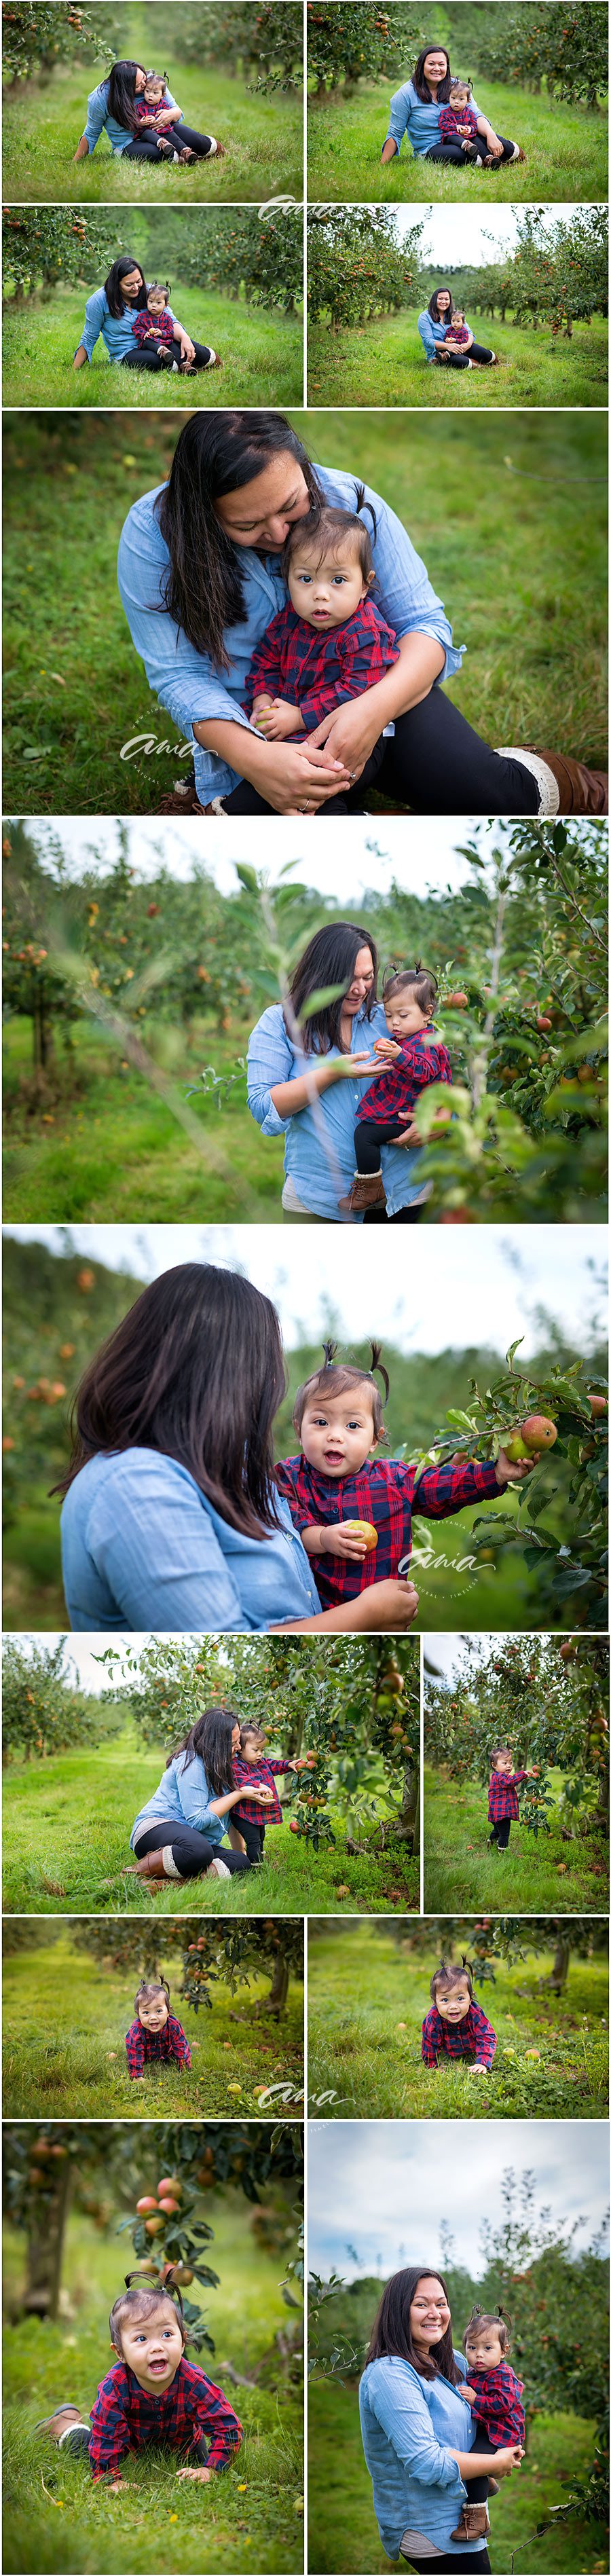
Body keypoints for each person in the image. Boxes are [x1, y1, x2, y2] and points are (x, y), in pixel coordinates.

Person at [118, 411, 606, 817]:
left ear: (303, 468)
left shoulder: (348, 501)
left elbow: (423, 626)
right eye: (247, 525)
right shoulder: (154, 535)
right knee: (297, 820)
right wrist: (259, 759)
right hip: (265, 728)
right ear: (205, 516)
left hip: (377, 692)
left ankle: (579, 785)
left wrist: (371, 711)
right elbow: (180, 676)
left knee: (494, 799)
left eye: (291, 507)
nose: (281, 534)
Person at [57, 1262, 419, 1634]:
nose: (273, 1382)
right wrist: (364, 1616)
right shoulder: (137, 1485)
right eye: (267, 1363)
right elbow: (215, 1646)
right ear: (232, 1373)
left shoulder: (233, 1469)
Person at [274, 1340, 536, 1611]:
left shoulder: (394, 1480)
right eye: (321, 1422)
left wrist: (496, 1473)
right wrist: (324, 1538)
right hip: (315, 1616)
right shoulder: (289, 1477)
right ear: (298, 1428)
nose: (335, 1435)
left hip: (383, 1617)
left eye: (353, 1425)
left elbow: (444, 1486)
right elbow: (293, 1529)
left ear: (375, 1440)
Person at [248, 923, 427, 1224]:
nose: (360, 989)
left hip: (404, 1190)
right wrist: (330, 1073)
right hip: (320, 1198)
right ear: (322, 976)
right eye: (349, 980)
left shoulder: (390, 1019)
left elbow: (437, 1071)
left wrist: (441, 1117)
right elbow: (263, 1106)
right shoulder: (280, 1024)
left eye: (368, 977)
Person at [359, 2265, 523, 2569]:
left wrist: (507, 2442)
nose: (435, 2313)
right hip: (432, 2529)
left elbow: (489, 2411)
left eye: (441, 2304)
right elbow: (427, 2462)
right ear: (398, 2311)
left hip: (460, 2517)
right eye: (421, 2304)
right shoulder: (390, 2375)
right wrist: (494, 2464)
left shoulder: (456, 2362)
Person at [242, 498, 400, 808]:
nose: (320, 594)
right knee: (261, 791)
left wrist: (300, 717)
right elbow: (267, 659)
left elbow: (357, 690)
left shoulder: (365, 633)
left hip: (349, 740)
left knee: (316, 793)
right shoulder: (291, 618)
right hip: (294, 732)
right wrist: (262, 699)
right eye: (306, 579)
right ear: (288, 579)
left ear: (365, 585)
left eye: (338, 580)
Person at [35, 2272, 242, 2488]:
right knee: (83, 2447)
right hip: (127, 2445)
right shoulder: (114, 2388)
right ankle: (65, 2426)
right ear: (120, 2353)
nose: (157, 2346)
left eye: (167, 2334)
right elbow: (106, 2438)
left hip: (182, 2446)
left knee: (198, 2460)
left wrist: (212, 2470)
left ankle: (192, 2460)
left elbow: (227, 2427)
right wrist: (109, 2480)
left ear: (182, 2340)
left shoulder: (194, 2382)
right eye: (141, 2338)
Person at [124, 1707, 274, 1888]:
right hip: (155, 1829)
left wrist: (240, 1852)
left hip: (194, 1842)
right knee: (199, 1851)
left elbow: (232, 1815)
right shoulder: (192, 1763)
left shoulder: (225, 1764)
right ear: (217, 1742)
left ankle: (170, 1885)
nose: (240, 1747)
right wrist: (239, 1794)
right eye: (234, 1742)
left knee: (241, 1863)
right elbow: (198, 1820)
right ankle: (130, 1876)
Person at [350, 967, 451, 1215]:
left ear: (427, 1014)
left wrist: (399, 1055)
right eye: (388, 1015)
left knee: (365, 1136)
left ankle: (370, 1187)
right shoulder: (409, 1039)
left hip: (406, 1116)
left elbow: (425, 1071)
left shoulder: (427, 1042)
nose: (394, 1022)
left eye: (403, 1015)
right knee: (365, 1134)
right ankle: (369, 1187)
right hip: (400, 1111)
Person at [382, 45, 522, 170]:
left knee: (504, 148)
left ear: (447, 67)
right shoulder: (405, 94)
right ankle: (486, 160)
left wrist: (491, 135)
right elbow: (395, 133)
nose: (437, 68)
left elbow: (476, 113)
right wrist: (382, 165)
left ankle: (496, 157)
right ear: (421, 66)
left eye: (441, 64)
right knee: (458, 154)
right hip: (431, 146)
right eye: (431, 64)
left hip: (465, 137)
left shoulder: (456, 87)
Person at [452, 2307, 526, 2546]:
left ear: (504, 2352)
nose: (478, 2355)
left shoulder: (503, 2375)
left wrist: (475, 2399)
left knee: (475, 2462)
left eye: (487, 2348)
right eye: (472, 2348)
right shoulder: (475, 2373)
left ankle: (477, 2519)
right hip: (489, 2428)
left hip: (504, 2432)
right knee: (474, 2458)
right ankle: (488, 2484)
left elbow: (503, 2404)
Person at [73, 256, 202, 380]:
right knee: (155, 360)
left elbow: (171, 320)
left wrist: (185, 338)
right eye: (129, 284)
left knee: (197, 353)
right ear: (116, 283)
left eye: (139, 281)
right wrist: (74, 371)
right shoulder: (98, 301)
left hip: (157, 341)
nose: (136, 288)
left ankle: (202, 361)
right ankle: (181, 365)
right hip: (127, 351)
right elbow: (89, 337)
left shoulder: (150, 292)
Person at [73, 58, 221, 166]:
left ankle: (215, 149)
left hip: (161, 129)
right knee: (158, 153)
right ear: (125, 89)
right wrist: (76, 161)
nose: (145, 86)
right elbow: (92, 132)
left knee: (199, 143)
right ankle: (182, 157)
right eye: (139, 85)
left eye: (144, 78)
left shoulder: (153, 83)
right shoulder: (100, 98)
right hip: (129, 142)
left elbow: (178, 113)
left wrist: (170, 114)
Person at [227, 1720, 311, 1865]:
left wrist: (288, 1764)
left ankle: (258, 1861)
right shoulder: (237, 1765)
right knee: (253, 1841)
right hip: (244, 1814)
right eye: (255, 1750)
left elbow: (275, 1765)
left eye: (262, 1750)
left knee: (261, 1837)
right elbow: (240, 1779)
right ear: (240, 1749)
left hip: (257, 1813)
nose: (260, 1754)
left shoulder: (261, 1762)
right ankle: (256, 1869)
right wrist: (258, 1785)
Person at [420, 1958, 497, 2074]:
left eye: (460, 1999)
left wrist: (482, 2062)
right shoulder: (433, 2018)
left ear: (470, 1998)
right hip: (448, 2049)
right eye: (445, 2000)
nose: (453, 2006)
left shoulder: (474, 2013)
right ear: (435, 2002)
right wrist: (432, 2065)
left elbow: (486, 2036)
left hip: (471, 2047)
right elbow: (429, 2042)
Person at [130, 278, 219, 375]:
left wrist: (161, 333)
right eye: (151, 302)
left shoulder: (167, 318)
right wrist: (144, 333)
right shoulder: (143, 317)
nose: (153, 305)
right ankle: (162, 351)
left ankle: (186, 366)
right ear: (147, 301)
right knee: (147, 341)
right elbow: (136, 328)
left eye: (158, 303)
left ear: (166, 305)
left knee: (176, 349)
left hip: (165, 341)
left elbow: (170, 332)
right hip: (150, 342)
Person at [124, 1976, 191, 2078]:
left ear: (168, 2011)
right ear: (138, 2014)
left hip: (167, 2054)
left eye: (159, 2011)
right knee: (135, 2055)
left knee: (178, 2050)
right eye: (146, 2012)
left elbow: (181, 2045)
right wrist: (137, 2076)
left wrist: (185, 2068)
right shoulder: (136, 2031)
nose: (153, 2017)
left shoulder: (173, 2025)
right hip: (145, 2056)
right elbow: (134, 2050)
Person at [418, 289, 496, 373]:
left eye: (446, 299)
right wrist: (448, 346)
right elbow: (428, 341)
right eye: (440, 299)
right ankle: (481, 366)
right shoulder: (425, 317)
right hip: (442, 353)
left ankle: (497, 363)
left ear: (450, 301)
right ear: (434, 300)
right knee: (462, 362)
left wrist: (468, 345)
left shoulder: (456, 315)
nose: (444, 302)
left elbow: (469, 333)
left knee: (484, 354)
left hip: (461, 346)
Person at [488, 1746, 538, 1850]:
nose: (509, 1766)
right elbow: (510, 1782)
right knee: (504, 1835)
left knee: (497, 1831)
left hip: (496, 1812)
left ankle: (490, 1844)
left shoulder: (496, 1776)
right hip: (502, 1813)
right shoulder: (501, 1777)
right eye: (505, 1763)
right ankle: (502, 1853)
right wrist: (522, 1774)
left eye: (510, 1763)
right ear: (494, 1765)